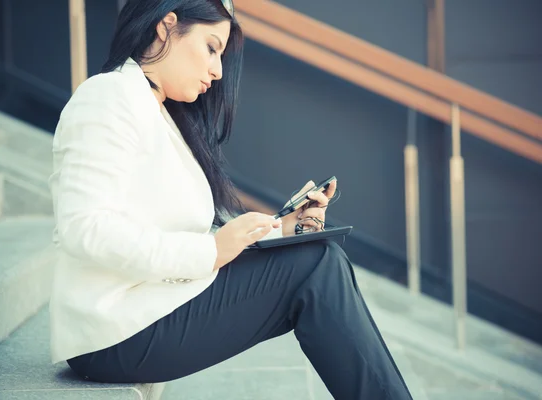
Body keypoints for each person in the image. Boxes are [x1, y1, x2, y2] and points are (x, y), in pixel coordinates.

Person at [47, 0, 413, 398]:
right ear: (166, 27)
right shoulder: (109, 96)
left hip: (150, 306)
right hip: (113, 330)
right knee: (319, 265)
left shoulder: (163, 115)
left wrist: (284, 229)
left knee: (320, 259)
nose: (218, 71)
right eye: (211, 47)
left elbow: (186, 235)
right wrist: (212, 250)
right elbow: (85, 228)